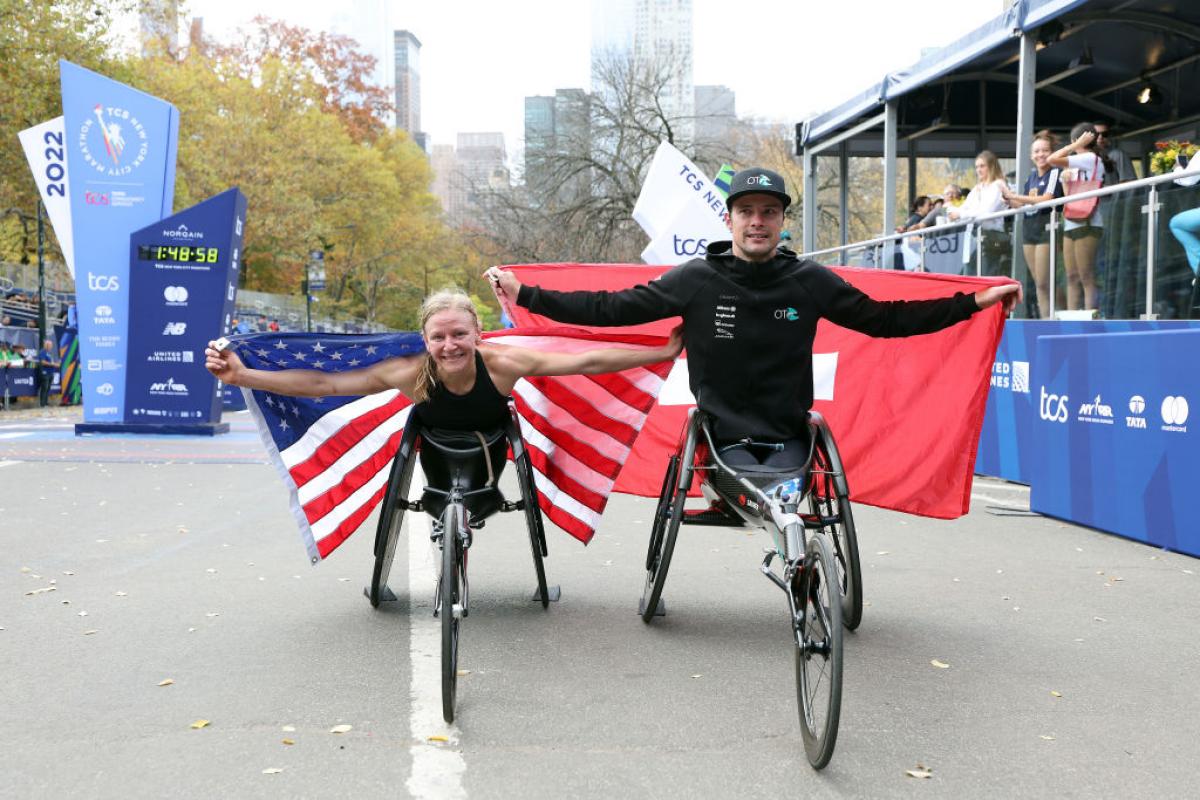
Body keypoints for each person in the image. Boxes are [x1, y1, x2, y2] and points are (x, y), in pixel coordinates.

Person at [487, 167, 1019, 472]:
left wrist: (974, 301)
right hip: (720, 433)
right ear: (731, 218)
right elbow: (609, 309)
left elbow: (884, 320)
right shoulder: (697, 278)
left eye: (769, 212)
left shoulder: (810, 280)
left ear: (783, 221)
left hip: (792, 432)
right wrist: (527, 292)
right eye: (747, 211)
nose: (758, 222)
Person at [206, 289, 684, 434]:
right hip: (432, 442)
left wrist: (661, 351)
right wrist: (243, 374)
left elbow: (590, 360)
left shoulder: (502, 363)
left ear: (479, 334)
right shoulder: (407, 371)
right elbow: (324, 384)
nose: (450, 345)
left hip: (491, 441)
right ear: (424, 340)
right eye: (439, 337)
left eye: (460, 335)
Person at [1002, 130, 1065, 318]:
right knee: (1039, 283)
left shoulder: (1055, 172)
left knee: (1046, 281)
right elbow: (1024, 203)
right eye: (1036, 151)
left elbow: (1046, 199)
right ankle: (1047, 318)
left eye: (1045, 150)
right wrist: (1009, 199)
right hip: (1030, 230)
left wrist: (1015, 196)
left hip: (1048, 229)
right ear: (1031, 156)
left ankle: (1059, 314)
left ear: (1052, 152)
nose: (1040, 155)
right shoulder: (1031, 177)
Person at [1048, 123, 1106, 311]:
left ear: (1079, 141)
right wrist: (1066, 182)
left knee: (1086, 275)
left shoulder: (1089, 158)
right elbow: (1069, 198)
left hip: (1089, 222)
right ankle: (1072, 318)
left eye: (1074, 141)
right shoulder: (1078, 162)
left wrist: (1072, 147)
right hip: (1072, 221)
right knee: (1071, 275)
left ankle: (1091, 318)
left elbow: (1052, 159)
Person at [948, 151, 1010, 277]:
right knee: (970, 276)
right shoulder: (977, 188)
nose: (979, 170)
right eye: (977, 167)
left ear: (991, 166)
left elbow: (986, 212)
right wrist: (954, 212)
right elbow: (964, 208)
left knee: (986, 276)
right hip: (973, 238)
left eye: (982, 166)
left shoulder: (998, 185)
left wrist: (960, 214)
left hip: (991, 237)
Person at [36, 338, 59, 407]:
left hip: (50, 372)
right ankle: (42, 403)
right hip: (44, 372)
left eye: (51, 345)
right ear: (46, 345)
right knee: (44, 387)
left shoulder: (50, 353)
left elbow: (52, 362)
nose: (51, 347)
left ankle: (46, 402)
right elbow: (42, 362)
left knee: (48, 388)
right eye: (49, 345)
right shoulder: (43, 352)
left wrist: (56, 364)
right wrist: (52, 364)